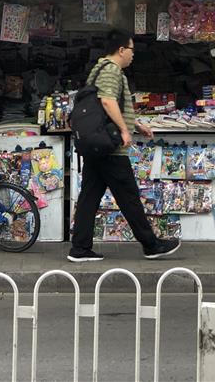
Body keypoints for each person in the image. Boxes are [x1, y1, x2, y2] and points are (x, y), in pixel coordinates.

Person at [69, 29, 180, 262]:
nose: (133, 55)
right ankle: (151, 244)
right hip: (110, 146)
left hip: (97, 145)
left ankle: (79, 248)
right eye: (131, 50)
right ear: (121, 50)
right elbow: (108, 102)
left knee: (90, 196)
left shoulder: (99, 69)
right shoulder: (111, 71)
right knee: (128, 195)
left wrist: (135, 124)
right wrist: (124, 130)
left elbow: (108, 105)